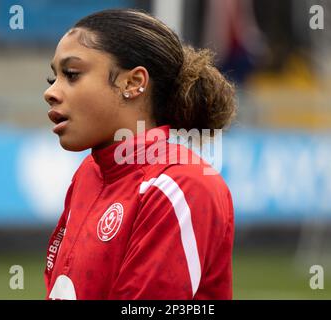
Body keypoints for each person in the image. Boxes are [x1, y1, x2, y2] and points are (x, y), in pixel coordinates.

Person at [43, 8, 236, 300]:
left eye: (71, 74)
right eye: (53, 79)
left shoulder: (181, 185)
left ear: (133, 83)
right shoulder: (89, 173)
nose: (52, 92)